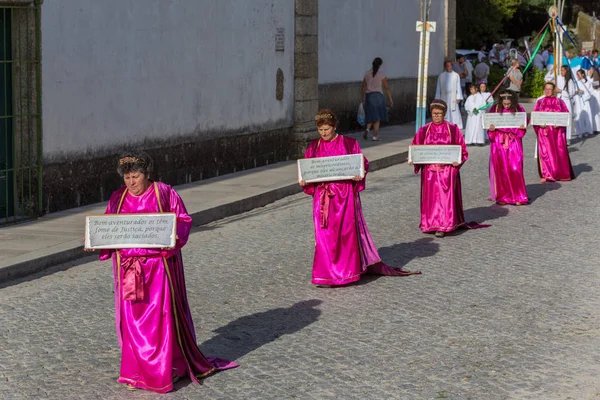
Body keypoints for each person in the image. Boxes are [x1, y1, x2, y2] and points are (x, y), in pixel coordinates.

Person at [95, 151, 237, 393]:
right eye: (127, 177)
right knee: (132, 322)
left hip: (158, 270)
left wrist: (171, 240)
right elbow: (109, 227)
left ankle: (165, 369)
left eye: (136, 176)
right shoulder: (118, 198)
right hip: (128, 270)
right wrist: (97, 240)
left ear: (147, 174)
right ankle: (136, 370)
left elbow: (182, 221)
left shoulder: (164, 193)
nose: (131, 182)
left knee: (158, 320)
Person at [300, 109, 420, 286]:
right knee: (324, 235)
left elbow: (361, 163)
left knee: (345, 233)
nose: (323, 133)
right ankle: (326, 273)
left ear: (334, 127)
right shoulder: (314, 147)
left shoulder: (348, 143)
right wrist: (304, 179)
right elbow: (308, 170)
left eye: (327, 129)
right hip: (322, 198)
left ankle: (347, 272)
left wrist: (359, 173)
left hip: (344, 196)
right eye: (320, 130)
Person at [409, 100, 469, 237]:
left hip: (447, 172)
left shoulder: (452, 129)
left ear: (444, 114)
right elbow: (416, 147)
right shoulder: (424, 130)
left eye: (439, 114)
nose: (436, 116)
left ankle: (445, 224)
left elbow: (462, 150)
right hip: (429, 172)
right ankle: (430, 223)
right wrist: (414, 159)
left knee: (445, 198)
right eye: (434, 114)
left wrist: (457, 162)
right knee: (431, 198)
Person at [487, 90, 529, 205]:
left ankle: (519, 196)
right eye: (504, 103)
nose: (506, 105)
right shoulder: (494, 109)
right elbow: (488, 123)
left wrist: (522, 127)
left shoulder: (518, 109)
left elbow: (524, 122)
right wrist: (490, 130)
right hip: (498, 142)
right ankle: (503, 196)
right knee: (501, 169)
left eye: (508, 103)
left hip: (513, 141)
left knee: (515, 168)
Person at [533, 82, 575, 182]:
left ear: (554, 90)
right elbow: (535, 116)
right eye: (546, 89)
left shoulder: (560, 102)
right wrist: (539, 124)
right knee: (546, 153)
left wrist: (560, 123)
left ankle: (561, 173)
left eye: (550, 89)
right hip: (544, 131)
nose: (548, 91)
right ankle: (547, 174)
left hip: (557, 132)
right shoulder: (540, 102)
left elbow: (566, 115)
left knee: (559, 152)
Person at [361, 57, 393, 141]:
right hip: (378, 96)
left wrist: (362, 98)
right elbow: (387, 87)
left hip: (369, 96)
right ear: (380, 65)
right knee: (377, 117)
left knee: (371, 115)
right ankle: (375, 136)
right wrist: (390, 99)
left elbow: (363, 87)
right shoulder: (381, 74)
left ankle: (367, 129)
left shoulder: (366, 74)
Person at [435, 61, 463, 128]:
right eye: (447, 66)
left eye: (450, 66)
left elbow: (458, 87)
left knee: (454, 111)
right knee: (445, 110)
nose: (449, 67)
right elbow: (438, 87)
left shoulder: (456, 75)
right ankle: (445, 124)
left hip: (453, 96)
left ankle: (455, 124)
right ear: (445, 67)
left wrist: (458, 96)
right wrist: (437, 98)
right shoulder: (441, 76)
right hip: (444, 96)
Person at [555, 65, 575, 143]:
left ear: (566, 71)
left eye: (563, 70)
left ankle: (567, 138)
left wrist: (560, 91)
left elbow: (570, 94)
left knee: (567, 119)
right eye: (561, 70)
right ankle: (559, 136)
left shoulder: (570, 81)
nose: (561, 72)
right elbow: (548, 79)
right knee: (559, 119)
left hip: (566, 102)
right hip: (559, 101)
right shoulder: (559, 78)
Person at [573, 69, 594, 138]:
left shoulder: (587, 82)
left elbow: (590, 93)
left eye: (578, 74)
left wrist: (583, 92)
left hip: (585, 102)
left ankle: (587, 130)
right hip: (578, 102)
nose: (577, 76)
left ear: (582, 74)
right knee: (579, 116)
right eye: (577, 74)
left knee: (586, 116)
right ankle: (580, 131)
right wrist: (576, 92)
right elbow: (573, 92)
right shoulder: (576, 83)